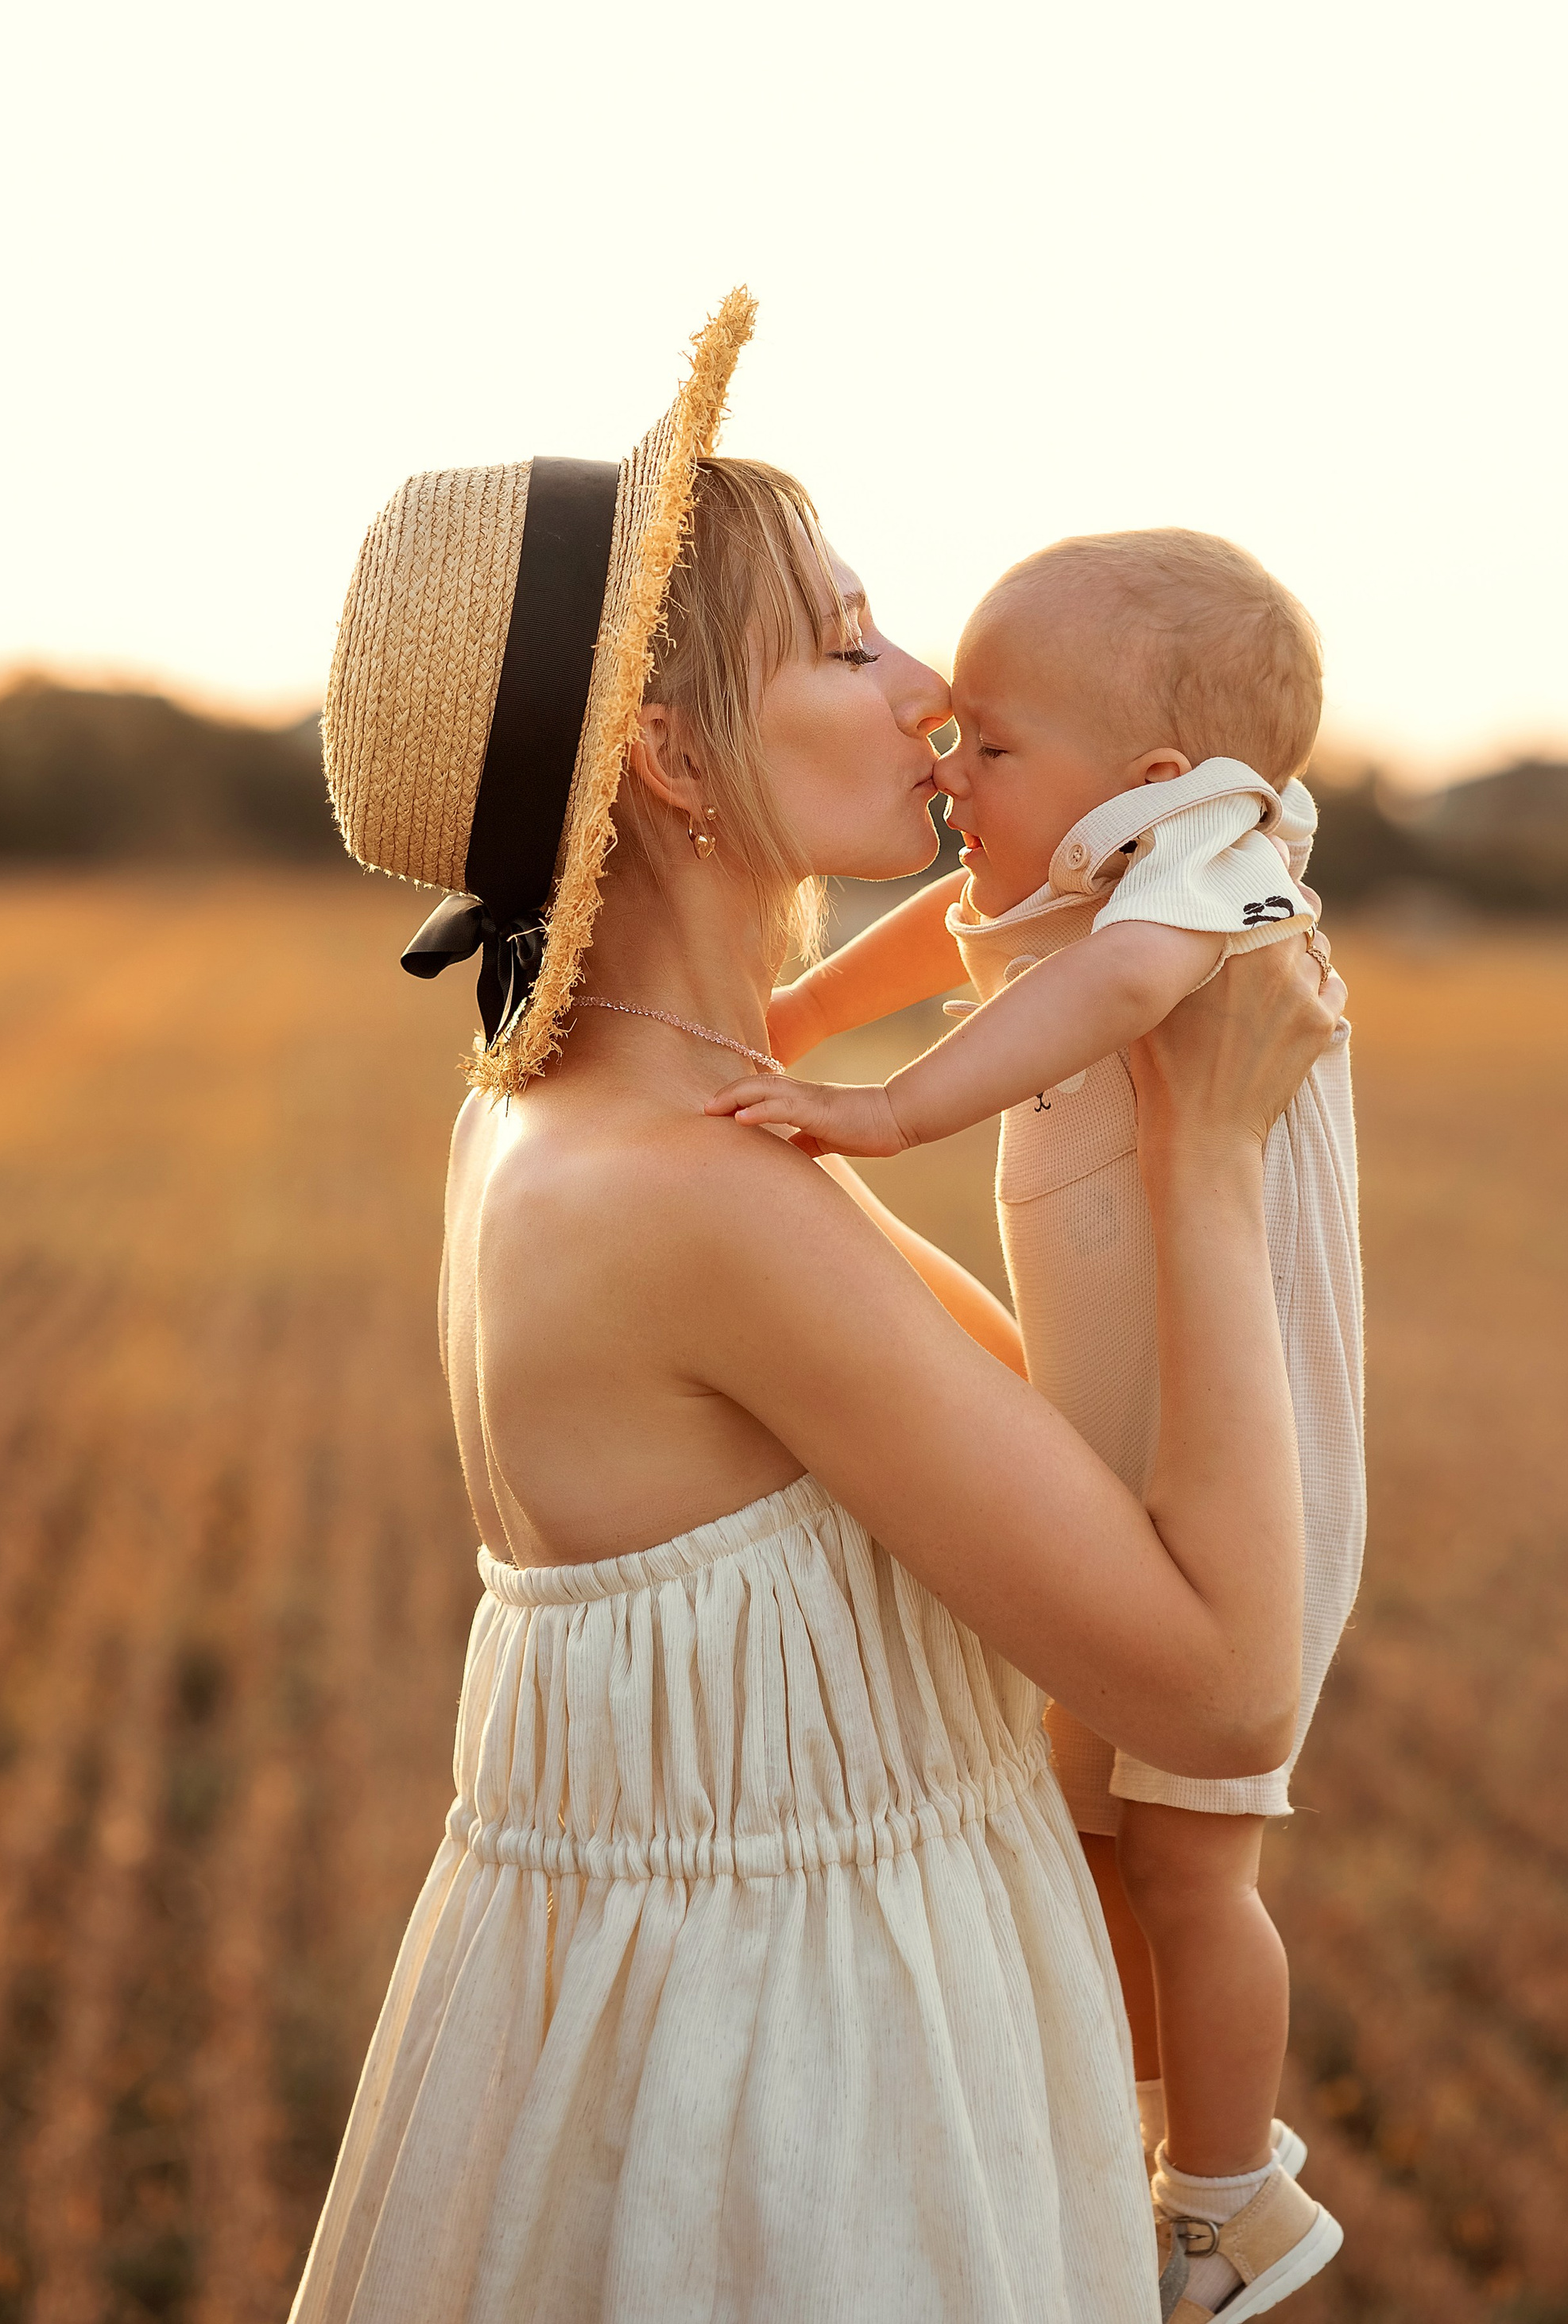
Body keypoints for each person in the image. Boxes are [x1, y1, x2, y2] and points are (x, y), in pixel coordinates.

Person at [292, 296, 1345, 2324]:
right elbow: (1222, 1692)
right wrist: (1208, 1154)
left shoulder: (582, 1115)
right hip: (808, 2111)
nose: (934, 690)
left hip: (750, 2028)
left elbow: (1063, 1482)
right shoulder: (692, 1198)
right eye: (850, 644)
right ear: (674, 756)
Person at [718, 531, 1364, 2316]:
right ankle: (1123, 2133)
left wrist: (889, 1111)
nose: (949, 757)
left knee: (1193, 1859)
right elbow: (956, 933)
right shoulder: (1085, 881)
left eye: (993, 744)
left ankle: (1230, 2196)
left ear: (1154, 781)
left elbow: (1121, 993)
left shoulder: (1210, 868)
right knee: (1090, 1829)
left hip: (1247, 1469)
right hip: (1123, 1447)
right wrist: (788, 1013)